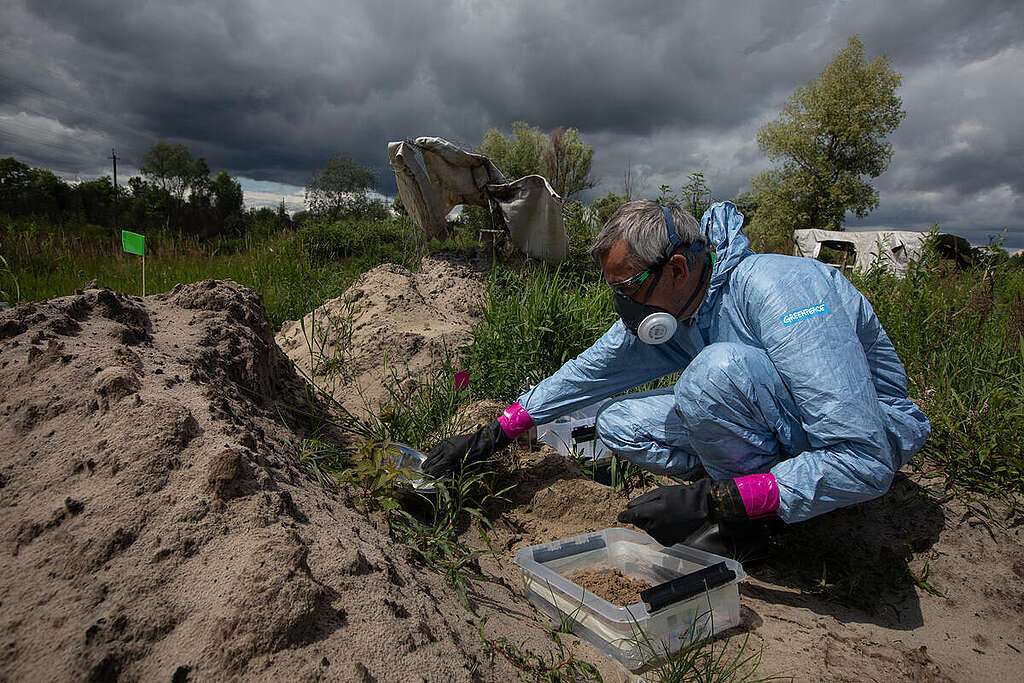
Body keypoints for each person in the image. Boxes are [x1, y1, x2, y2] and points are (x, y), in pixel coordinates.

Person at [422, 200, 930, 551]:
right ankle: (753, 493)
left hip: (864, 435)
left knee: (712, 375)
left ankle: (754, 514)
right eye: (616, 290)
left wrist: (713, 501)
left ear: (679, 268)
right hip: (772, 420)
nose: (625, 304)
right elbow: (586, 375)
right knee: (619, 422)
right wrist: (497, 431)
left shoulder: (778, 288)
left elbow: (864, 459)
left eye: (631, 286)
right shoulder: (675, 311)